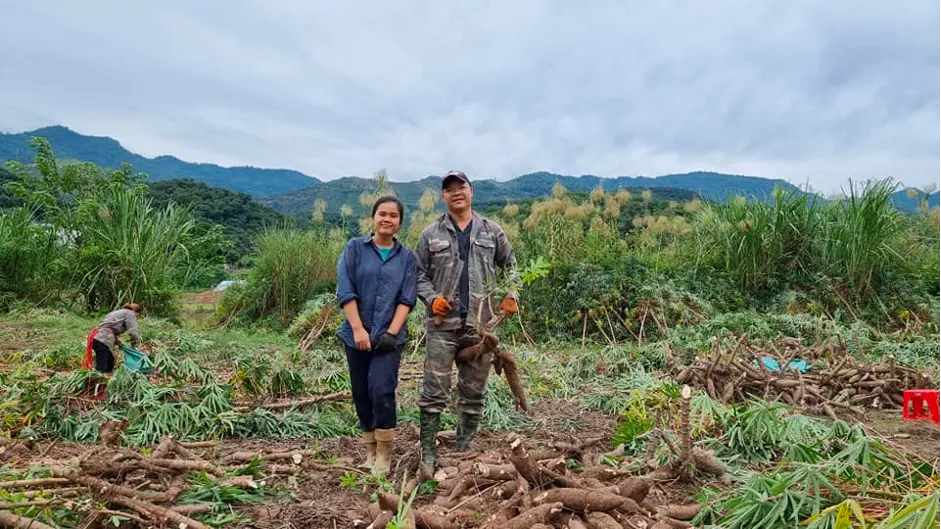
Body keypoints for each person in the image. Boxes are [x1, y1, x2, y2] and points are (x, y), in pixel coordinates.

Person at [414, 170, 521, 470]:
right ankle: (429, 453)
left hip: (480, 327)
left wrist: (512, 294)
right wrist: (431, 298)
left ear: (471, 192)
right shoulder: (430, 234)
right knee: (434, 390)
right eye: (449, 189)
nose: (456, 192)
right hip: (442, 327)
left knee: (473, 391)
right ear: (443, 197)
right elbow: (417, 275)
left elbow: (512, 267)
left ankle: (464, 446)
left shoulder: (492, 231)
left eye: (461, 187)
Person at [335, 196, 418, 474]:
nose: (387, 219)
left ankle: (384, 453)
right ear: (373, 217)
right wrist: (358, 329)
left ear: (399, 222)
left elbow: (407, 298)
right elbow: (346, 289)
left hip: (388, 338)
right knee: (361, 393)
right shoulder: (355, 248)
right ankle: (369, 449)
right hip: (355, 335)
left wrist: (391, 333)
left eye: (393, 216)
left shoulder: (406, 257)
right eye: (382, 213)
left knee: (381, 390)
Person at [83, 303, 142, 374]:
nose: (136, 318)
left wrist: (122, 346)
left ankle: (105, 378)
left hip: (96, 337)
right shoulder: (130, 313)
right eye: (137, 316)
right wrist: (134, 346)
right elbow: (133, 331)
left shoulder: (116, 312)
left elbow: (110, 331)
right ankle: (97, 380)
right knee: (102, 366)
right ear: (136, 311)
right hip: (102, 339)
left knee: (110, 361)